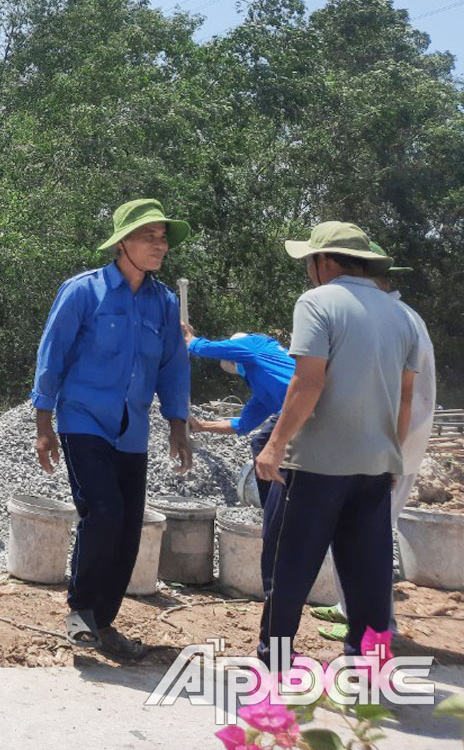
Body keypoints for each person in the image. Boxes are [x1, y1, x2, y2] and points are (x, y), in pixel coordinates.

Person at [252, 222, 419, 668]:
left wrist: (274, 446)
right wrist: (392, 456)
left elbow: (307, 383)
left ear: (324, 262)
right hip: (374, 466)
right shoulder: (401, 315)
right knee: (368, 578)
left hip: (316, 466)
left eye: (309, 261)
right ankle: (370, 671)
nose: (309, 271)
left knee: (287, 570)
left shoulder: (317, 302)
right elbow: (405, 397)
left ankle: (276, 663)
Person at [32, 198, 193, 658]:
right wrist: (44, 424)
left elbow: (174, 367)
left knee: (126, 526)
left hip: (133, 429)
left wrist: (178, 426)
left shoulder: (163, 304)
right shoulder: (84, 291)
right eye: (149, 236)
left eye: (163, 238)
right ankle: (81, 612)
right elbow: (52, 356)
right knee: (103, 511)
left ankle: (104, 622)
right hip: (84, 419)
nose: (159, 245)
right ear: (123, 242)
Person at [312, 242, 435, 642]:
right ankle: (354, 611)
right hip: (397, 444)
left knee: (368, 541)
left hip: (385, 446)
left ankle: (378, 626)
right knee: (366, 536)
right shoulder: (405, 316)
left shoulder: (390, 316)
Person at [184, 330, 294, 507]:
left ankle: (273, 508)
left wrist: (190, 340)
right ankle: (283, 503)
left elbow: (211, 348)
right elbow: (242, 425)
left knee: (262, 443)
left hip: (300, 406)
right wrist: (202, 426)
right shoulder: (263, 388)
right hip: (311, 412)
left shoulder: (255, 343)